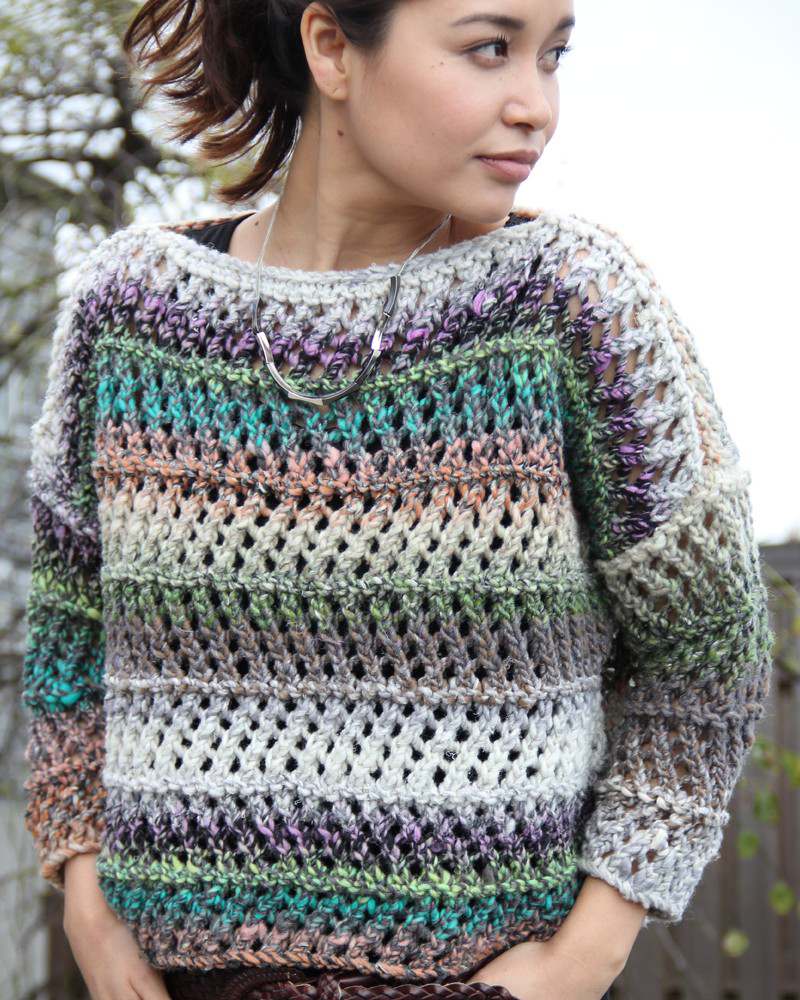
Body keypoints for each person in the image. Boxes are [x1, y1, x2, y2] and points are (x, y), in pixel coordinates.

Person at [20, 0, 774, 999]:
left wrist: (580, 959)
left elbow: (709, 653)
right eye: (489, 49)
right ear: (332, 48)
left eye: (552, 56)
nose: (535, 105)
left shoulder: (570, 305)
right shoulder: (132, 310)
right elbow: (71, 636)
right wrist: (86, 901)